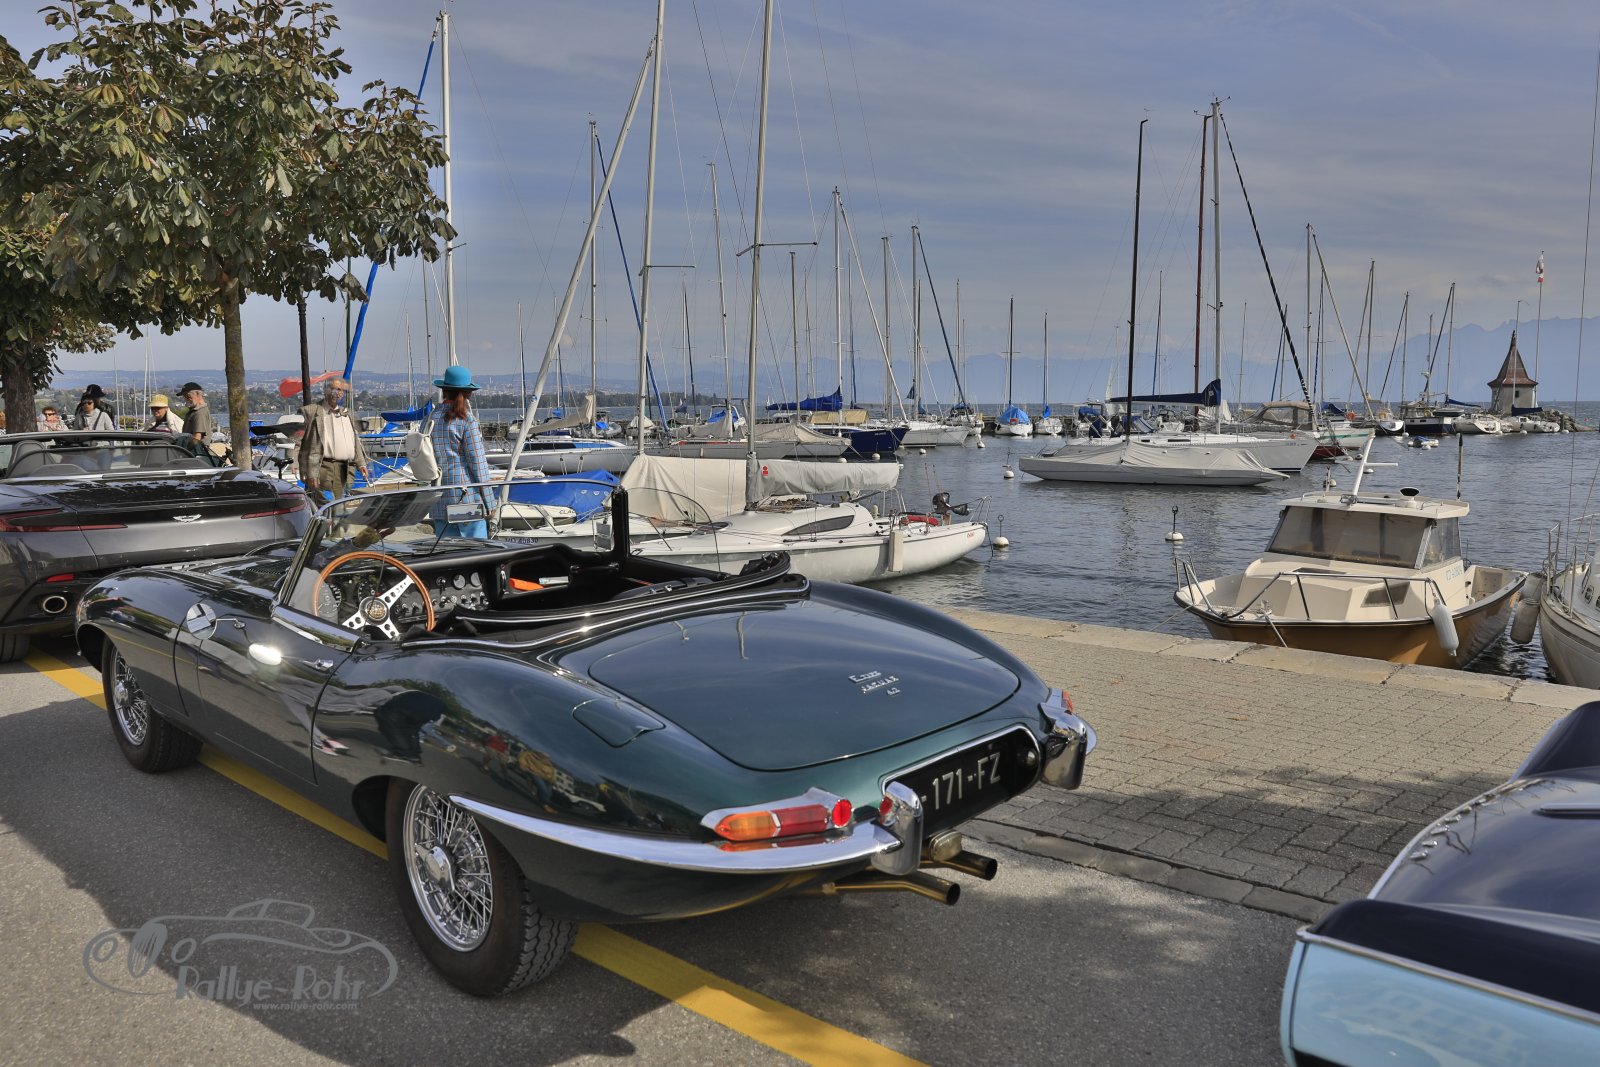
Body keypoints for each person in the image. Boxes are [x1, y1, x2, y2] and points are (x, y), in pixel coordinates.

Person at [429, 364, 494, 539]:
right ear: (468, 393)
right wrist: (490, 501)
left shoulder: (429, 420)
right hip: (466, 498)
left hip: (438, 497)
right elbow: (478, 464)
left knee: (447, 551)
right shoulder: (466, 420)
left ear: (444, 390)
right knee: (475, 549)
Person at [297, 377, 371, 505]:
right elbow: (298, 441)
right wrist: (300, 468)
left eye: (340, 390)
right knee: (325, 505)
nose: (337, 392)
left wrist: (361, 464)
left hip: (344, 468)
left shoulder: (347, 414)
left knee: (339, 504)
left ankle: (334, 518)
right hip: (322, 467)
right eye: (333, 389)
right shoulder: (310, 411)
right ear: (326, 390)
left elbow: (354, 441)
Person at [179, 382, 214, 447]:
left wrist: (184, 449)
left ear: (198, 394)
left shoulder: (199, 412)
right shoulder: (195, 411)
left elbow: (196, 438)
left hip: (196, 450)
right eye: (184, 397)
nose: (186, 399)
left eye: (188, 396)